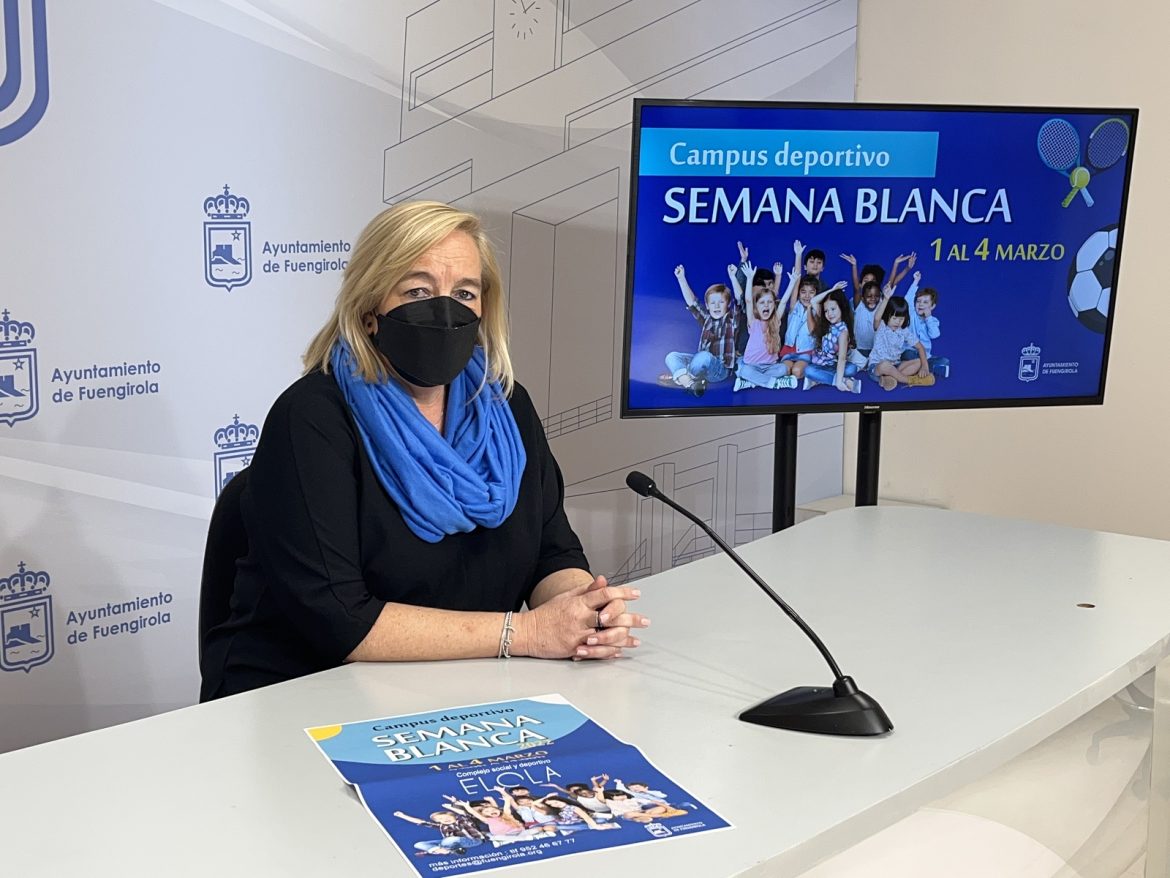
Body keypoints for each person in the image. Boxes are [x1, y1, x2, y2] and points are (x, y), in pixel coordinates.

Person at [199, 201, 648, 700]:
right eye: (418, 291)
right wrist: (525, 633)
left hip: (456, 687)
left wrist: (583, 609)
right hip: (303, 691)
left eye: (464, 293)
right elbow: (340, 619)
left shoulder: (506, 405)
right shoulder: (312, 417)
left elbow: (551, 550)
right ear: (369, 310)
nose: (445, 311)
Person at [662, 264, 739, 397]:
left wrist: (733, 277)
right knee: (672, 356)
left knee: (704, 356)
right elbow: (692, 303)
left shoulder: (731, 319)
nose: (716, 306)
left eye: (721, 302)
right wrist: (681, 278)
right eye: (713, 303)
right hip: (701, 365)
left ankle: (682, 379)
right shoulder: (707, 319)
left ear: (728, 304)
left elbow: (740, 302)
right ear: (707, 306)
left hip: (719, 370)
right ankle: (691, 384)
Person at [866, 290, 933, 390]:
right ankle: (911, 380)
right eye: (894, 318)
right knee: (885, 365)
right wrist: (886, 298)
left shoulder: (903, 331)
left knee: (919, 362)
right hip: (877, 367)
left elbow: (920, 347)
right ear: (887, 315)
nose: (898, 322)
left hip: (895, 366)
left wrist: (925, 366)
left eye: (901, 319)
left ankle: (890, 379)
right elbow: (876, 318)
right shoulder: (881, 326)